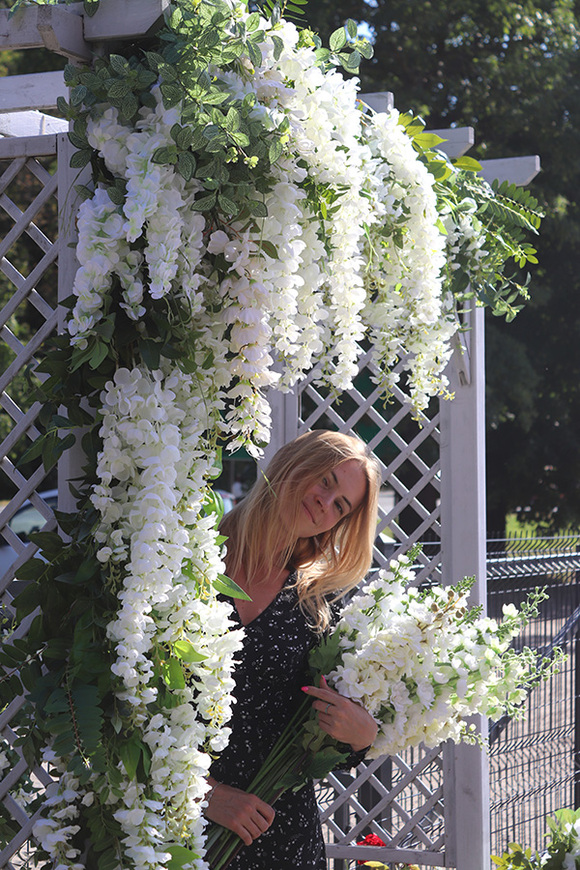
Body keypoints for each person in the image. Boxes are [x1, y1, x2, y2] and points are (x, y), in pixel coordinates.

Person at [204, 429, 382, 869]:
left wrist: (363, 736)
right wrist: (204, 794)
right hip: (172, 827)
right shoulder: (191, 558)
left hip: (278, 839)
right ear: (293, 463)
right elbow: (129, 707)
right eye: (325, 481)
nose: (326, 503)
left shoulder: (319, 603)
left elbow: (327, 736)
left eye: (341, 505)